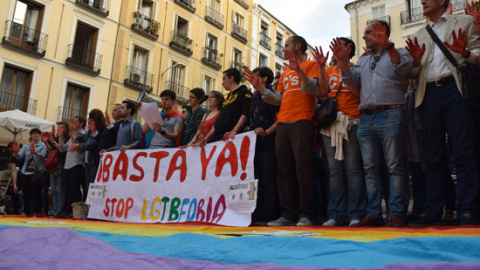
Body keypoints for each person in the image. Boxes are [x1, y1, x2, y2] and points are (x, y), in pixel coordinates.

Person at [332, 21, 414, 227]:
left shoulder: (400, 52)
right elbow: (351, 79)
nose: (364, 37)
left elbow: (404, 69)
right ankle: (374, 212)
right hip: (367, 118)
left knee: (394, 166)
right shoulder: (363, 60)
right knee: (369, 168)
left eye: (369, 33)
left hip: (392, 113)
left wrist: (388, 46)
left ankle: (396, 212)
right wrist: (342, 62)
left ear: (381, 33)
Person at [406, 0, 480, 226]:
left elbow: (477, 54)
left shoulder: (465, 22)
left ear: (441, 1)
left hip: (455, 91)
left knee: (463, 152)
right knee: (432, 156)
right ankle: (433, 210)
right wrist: (416, 62)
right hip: (428, 95)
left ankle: (467, 209)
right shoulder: (418, 34)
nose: (422, 2)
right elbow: (413, 74)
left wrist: (465, 52)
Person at [246, 36, 319, 226]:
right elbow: (278, 98)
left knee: (303, 168)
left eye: (287, 45)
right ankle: (287, 214)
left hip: (302, 120)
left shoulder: (311, 65)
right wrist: (260, 88)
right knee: (283, 170)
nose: (284, 48)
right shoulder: (285, 72)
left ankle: (306, 214)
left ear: (298, 46)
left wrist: (299, 70)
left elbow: (313, 89)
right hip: (283, 123)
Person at [313, 38, 366, 227]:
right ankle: (335, 214)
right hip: (331, 125)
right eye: (334, 48)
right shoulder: (328, 70)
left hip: (352, 122)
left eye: (339, 48)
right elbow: (323, 91)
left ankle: (356, 214)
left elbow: (357, 92)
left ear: (348, 50)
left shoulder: (357, 68)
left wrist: (344, 66)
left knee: (353, 169)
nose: (335, 51)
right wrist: (320, 67)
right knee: (334, 170)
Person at [243, 66, 280, 225]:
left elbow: (280, 119)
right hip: (254, 143)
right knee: (255, 177)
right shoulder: (254, 97)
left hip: (268, 142)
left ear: (265, 79)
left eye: (255, 75)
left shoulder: (274, 95)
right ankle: (255, 212)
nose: (251, 78)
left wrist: (267, 132)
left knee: (267, 177)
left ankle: (268, 213)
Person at [203, 68, 252, 142]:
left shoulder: (244, 92)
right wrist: (207, 137)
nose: (222, 83)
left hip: (231, 138)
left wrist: (234, 131)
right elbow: (218, 121)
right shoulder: (227, 98)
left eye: (224, 79)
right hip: (218, 139)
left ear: (231, 78)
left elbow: (245, 113)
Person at [13, 128, 47, 217]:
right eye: (33, 133)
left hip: (36, 172)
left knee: (36, 192)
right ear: (31, 136)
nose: (35, 135)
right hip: (25, 172)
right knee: (26, 192)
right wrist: (16, 152)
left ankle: (37, 210)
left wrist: (35, 152)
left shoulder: (42, 146)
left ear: (40, 135)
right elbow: (19, 156)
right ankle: (27, 211)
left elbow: (43, 156)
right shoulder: (27, 145)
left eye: (37, 133)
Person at [58, 117, 87, 216]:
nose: (73, 123)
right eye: (72, 121)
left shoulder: (83, 134)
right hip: (68, 165)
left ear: (81, 123)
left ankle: (77, 211)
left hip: (77, 164)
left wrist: (72, 135)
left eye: (75, 121)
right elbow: (62, 149)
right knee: (68, 189)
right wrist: (60, 136)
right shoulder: (72, 135)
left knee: (75, 189)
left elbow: (79, 148)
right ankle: (68, 210)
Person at [46, 122, 69, 217]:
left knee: (59, 188)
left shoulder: (67, 138)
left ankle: (59, 209)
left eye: (61, 127)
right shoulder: (55, 138)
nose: (59, 129)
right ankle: (54, 209)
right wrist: (46, 142)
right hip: (53, 165)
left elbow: (61, 149)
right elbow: (51, 150)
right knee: (54, 188)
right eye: (58, 127)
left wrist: (54, 141)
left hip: (61, 164)